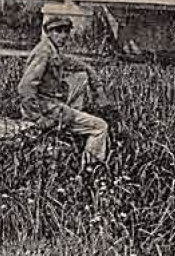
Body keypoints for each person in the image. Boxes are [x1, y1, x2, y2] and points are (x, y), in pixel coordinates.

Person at [17, 16, 109, 165]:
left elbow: (78, 65)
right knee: (100, 126)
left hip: (50, 102)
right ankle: (90, 167)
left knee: (81, 77)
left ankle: (73, 123)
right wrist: (38, 118)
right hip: (47, 109)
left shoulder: (52, 50)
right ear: (48, 32)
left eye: (66, 31)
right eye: (58, 31)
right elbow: (25, 88)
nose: (63, 35)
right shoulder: (44, 53)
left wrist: (97, 85)